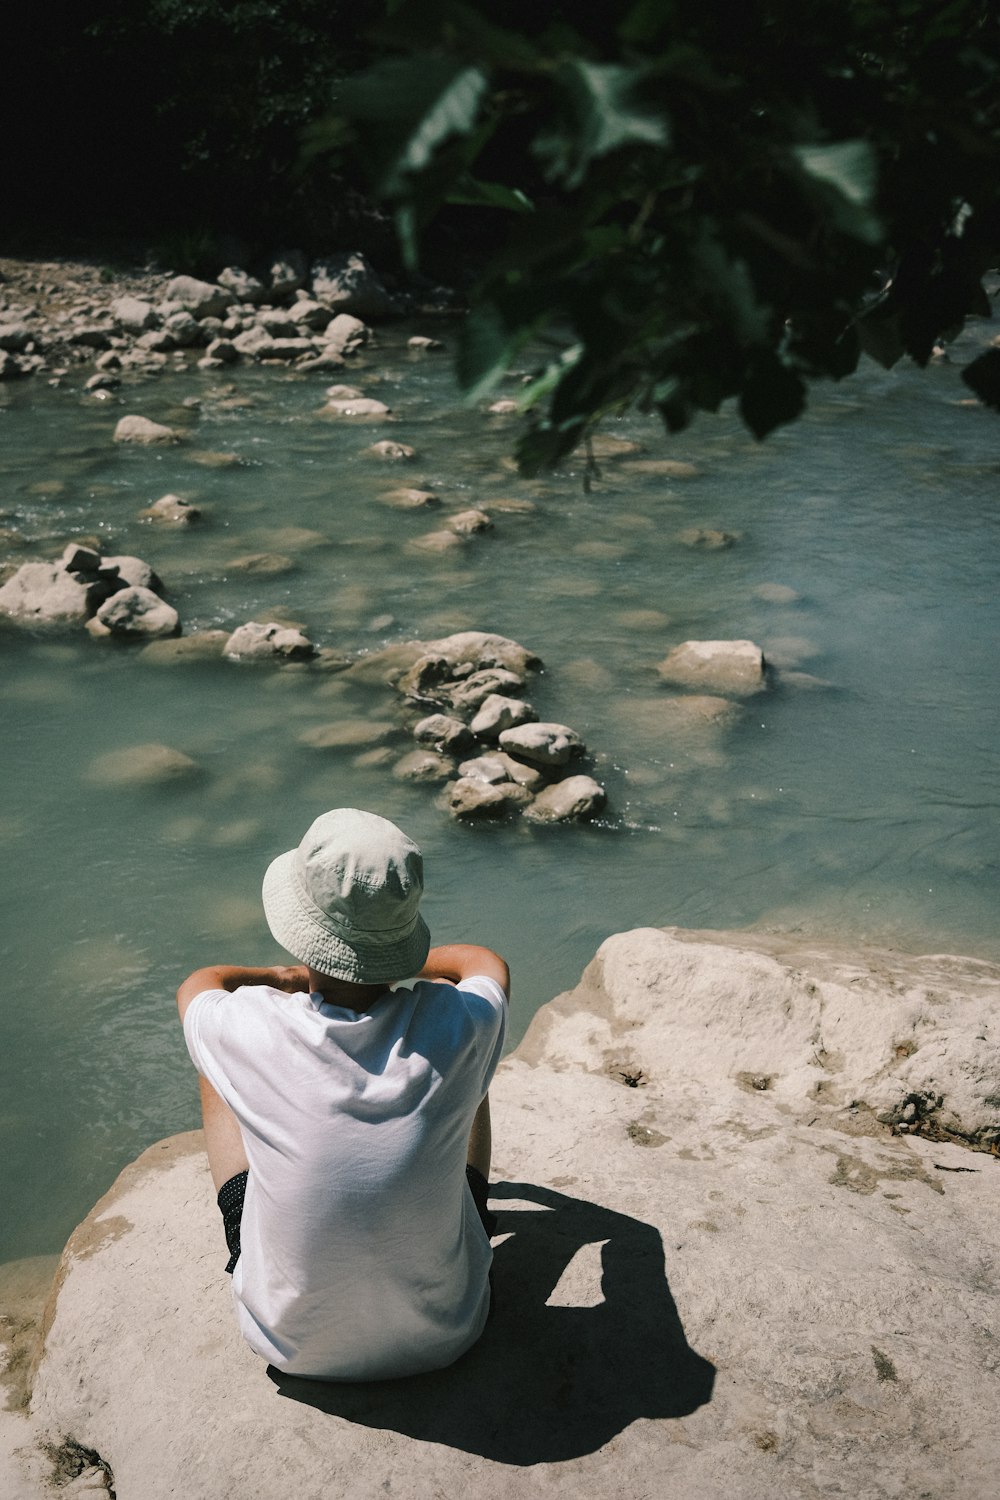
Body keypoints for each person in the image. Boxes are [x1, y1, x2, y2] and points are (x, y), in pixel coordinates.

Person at [177, 807, 509, 1381]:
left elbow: (201, 984)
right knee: (468, 1070)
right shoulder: (461, 1024)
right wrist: (396, 963)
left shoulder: (248, 1024)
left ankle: (241, 1225)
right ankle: (472, 1206)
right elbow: (482, 962)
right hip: (447, 1333)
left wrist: (284, 978)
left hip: (291, 1343)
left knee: (214, 1059)